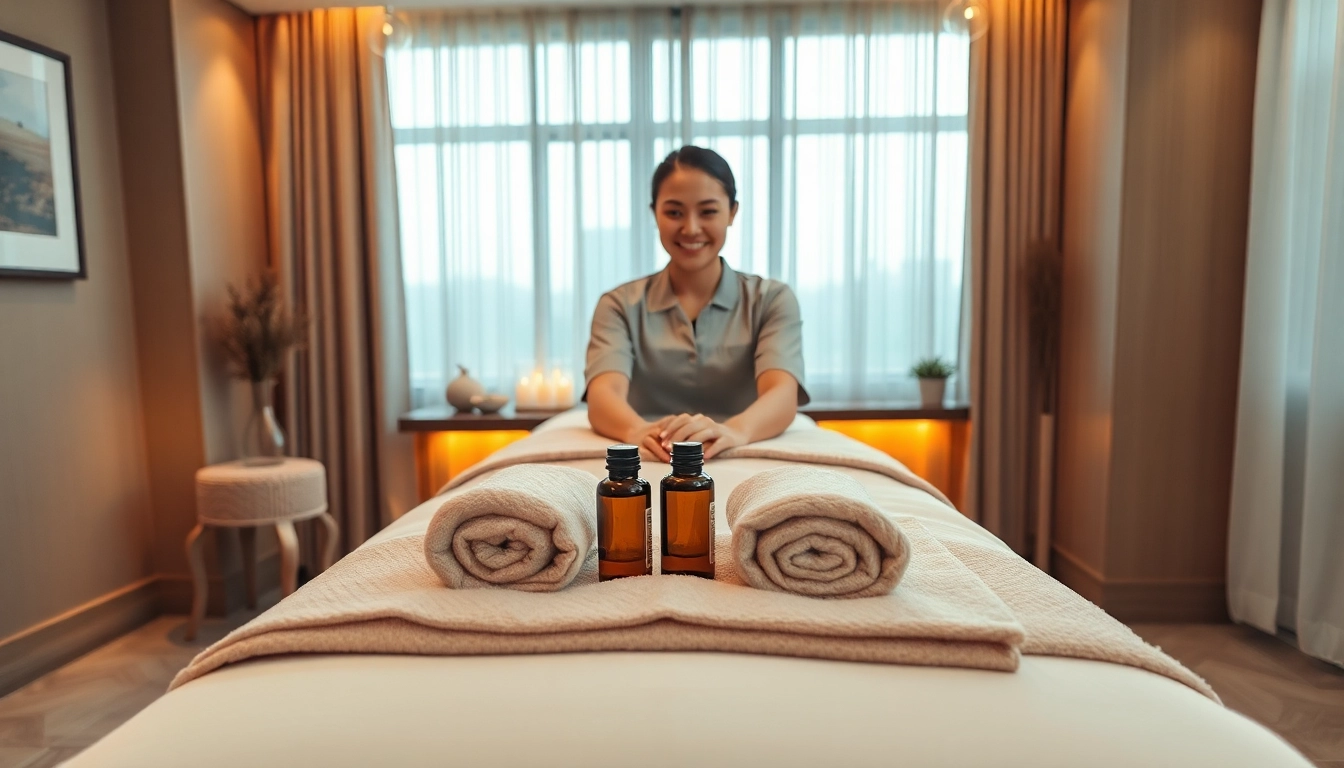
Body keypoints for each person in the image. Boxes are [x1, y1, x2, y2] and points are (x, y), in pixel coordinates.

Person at [584, 146, 810, 461]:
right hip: (651, 452)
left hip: (744, 448)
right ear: (654, 214)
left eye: (708, 212)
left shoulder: (772, 300)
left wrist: (735, 431)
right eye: (674, 213)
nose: (691, 228)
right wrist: (637, 430)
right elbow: (603, 394)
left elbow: (782, 393)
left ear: (732, 212)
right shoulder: (618, 305)